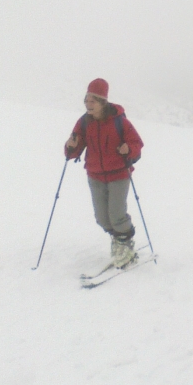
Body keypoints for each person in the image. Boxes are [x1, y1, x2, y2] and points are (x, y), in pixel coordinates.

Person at [65, 78, 144, 266]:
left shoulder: (119, 122)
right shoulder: (84, 122)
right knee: (101, 218)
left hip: (119, 174)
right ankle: (119, 240)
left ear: (102, 102)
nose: (88, 104)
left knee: (116, 215)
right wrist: (70, 146)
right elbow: (73, 150)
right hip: (95, 175)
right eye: (86, 100)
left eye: (92, 101)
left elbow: (137, 144)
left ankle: (125, 244)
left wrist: (128, 149)